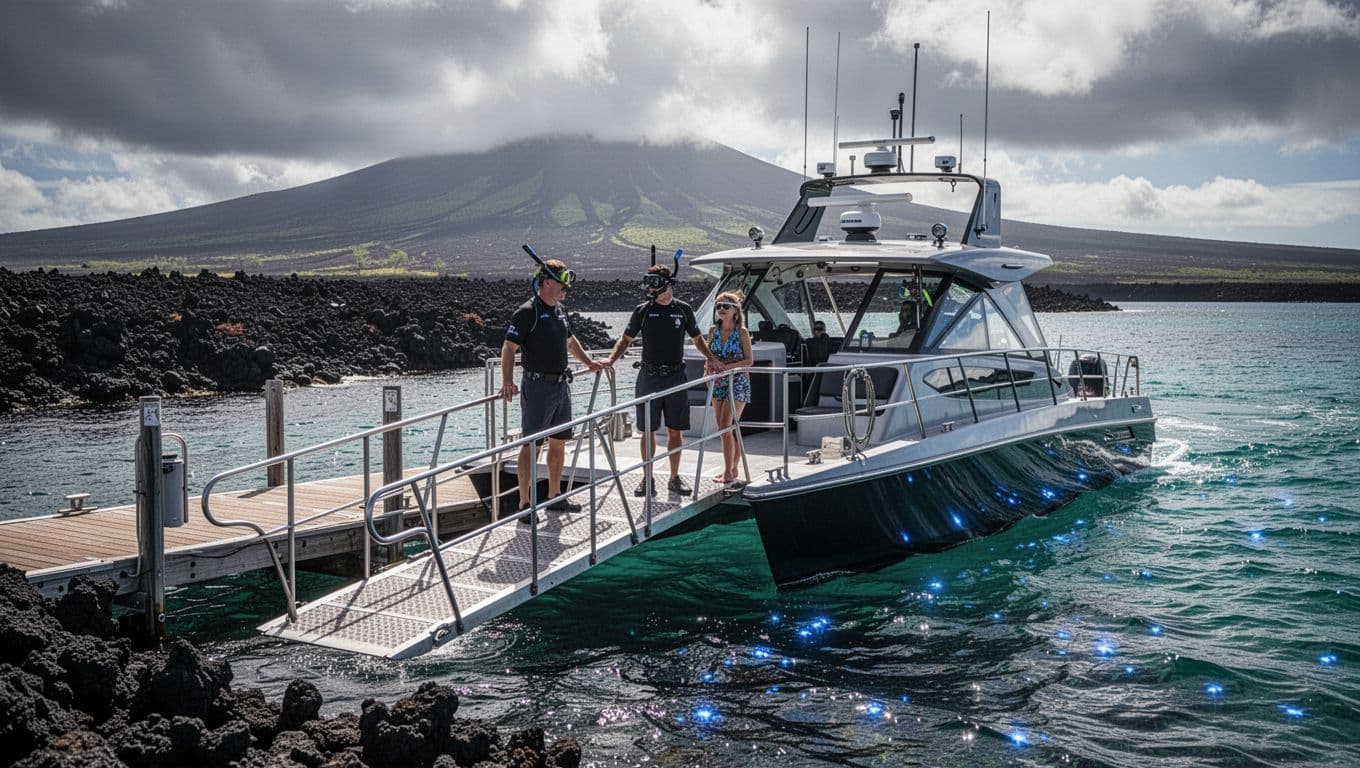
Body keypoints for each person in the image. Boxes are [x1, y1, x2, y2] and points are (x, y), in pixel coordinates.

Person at [499, 258, 605, 522]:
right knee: (532, 444)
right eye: (562, 284)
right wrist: (507, 381)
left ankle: (555, 496)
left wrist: (589, 362)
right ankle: (525, 504)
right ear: (547, 283)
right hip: (537, 386)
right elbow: (509, 347)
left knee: (559, 441)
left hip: (561, 385)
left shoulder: (560, 310)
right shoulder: (527, 312)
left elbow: (570, 342)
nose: (566, 290)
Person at [604, 264, 722, 497]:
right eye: (649, 284)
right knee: (647, 430)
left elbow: (697, 339)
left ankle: (674, 477)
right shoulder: (643, 311)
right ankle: (647, 478)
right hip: (649, 377)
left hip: (676, 377)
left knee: (675, 430)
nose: (651, 289)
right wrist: (610, 360)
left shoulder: (683, 310)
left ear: (668, 285)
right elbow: (625, 340)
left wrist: (712, 359)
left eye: (656, 284)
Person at [705, 291, 753, 485]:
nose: (721, 309)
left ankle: (728, 472)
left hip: (738, 381)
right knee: (724, 429)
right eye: (718, 306)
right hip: (717, 382)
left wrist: (727, 368)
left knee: (727, 427)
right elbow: (709, 356)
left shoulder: (742, 332)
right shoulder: (712, 331)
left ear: (735, 310)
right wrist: (707, 372)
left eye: (725, 306)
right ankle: (732, 468)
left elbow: (749, 361)